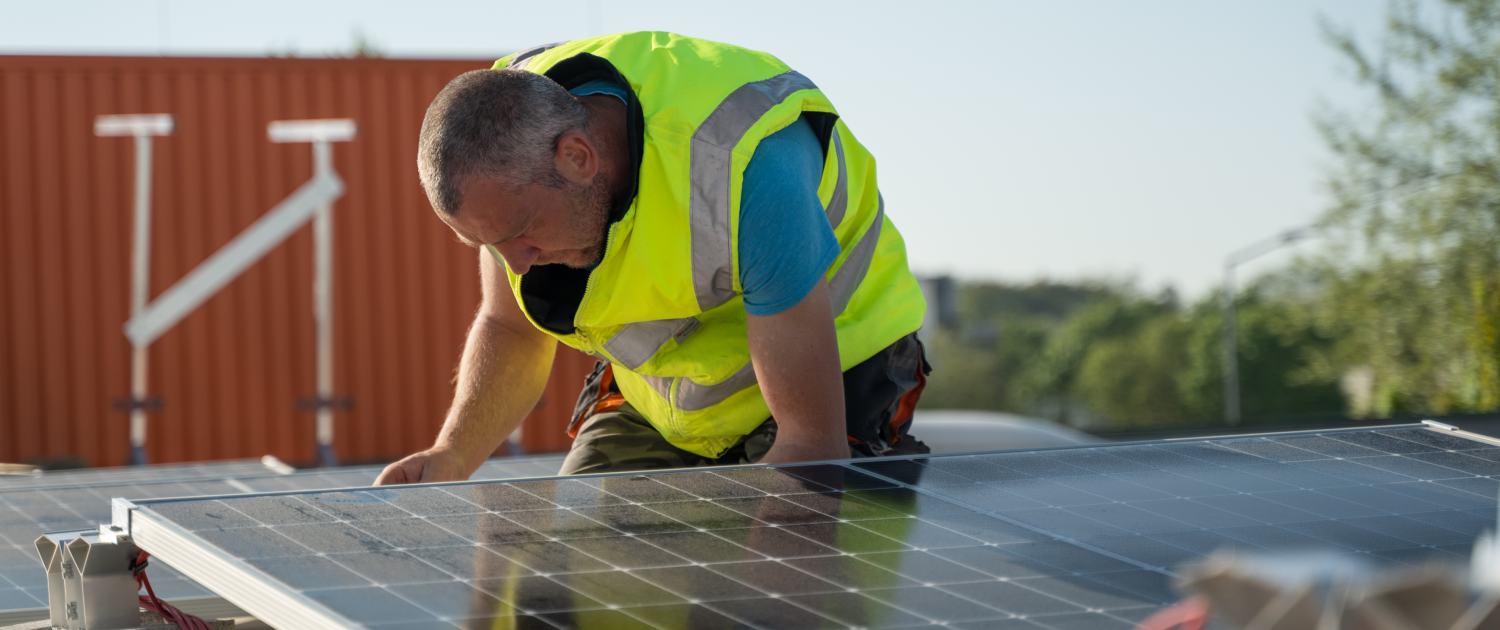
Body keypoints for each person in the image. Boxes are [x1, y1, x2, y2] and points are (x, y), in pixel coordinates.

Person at [376, 32, 930, 485]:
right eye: (487, 246)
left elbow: (811, 445)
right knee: (573, 576)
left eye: (520, 234)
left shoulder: (744, 170)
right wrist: (452, 454)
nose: (516, 265)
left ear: (577, 157)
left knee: (780, 574)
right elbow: (510, 327)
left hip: (835, 369)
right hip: (670, 400)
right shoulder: (508, 151)